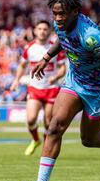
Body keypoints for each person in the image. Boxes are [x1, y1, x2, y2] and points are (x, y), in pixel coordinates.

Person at [19, 0, 100, 181]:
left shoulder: (91, 37)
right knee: (54, 127)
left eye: (61, 14)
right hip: (76, 82)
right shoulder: (60, 24)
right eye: (55, 14)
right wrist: (46, 58)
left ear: (74, 12)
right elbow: (63, 40)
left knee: (88, 140)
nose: (57, 19)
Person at [10, 21, 66, 155]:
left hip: (51, 88)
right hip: (35, 87)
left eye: (45, 29)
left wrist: (56, 77)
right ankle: (35, 140)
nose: (42, 31)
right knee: (30, 119)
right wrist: (16, 80)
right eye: (39, 28)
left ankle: (47, 149)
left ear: (49, 31)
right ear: (35, 31)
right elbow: (22, 66)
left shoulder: (55, 47)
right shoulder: (29, 48)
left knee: (48, 122)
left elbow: (63, 68)